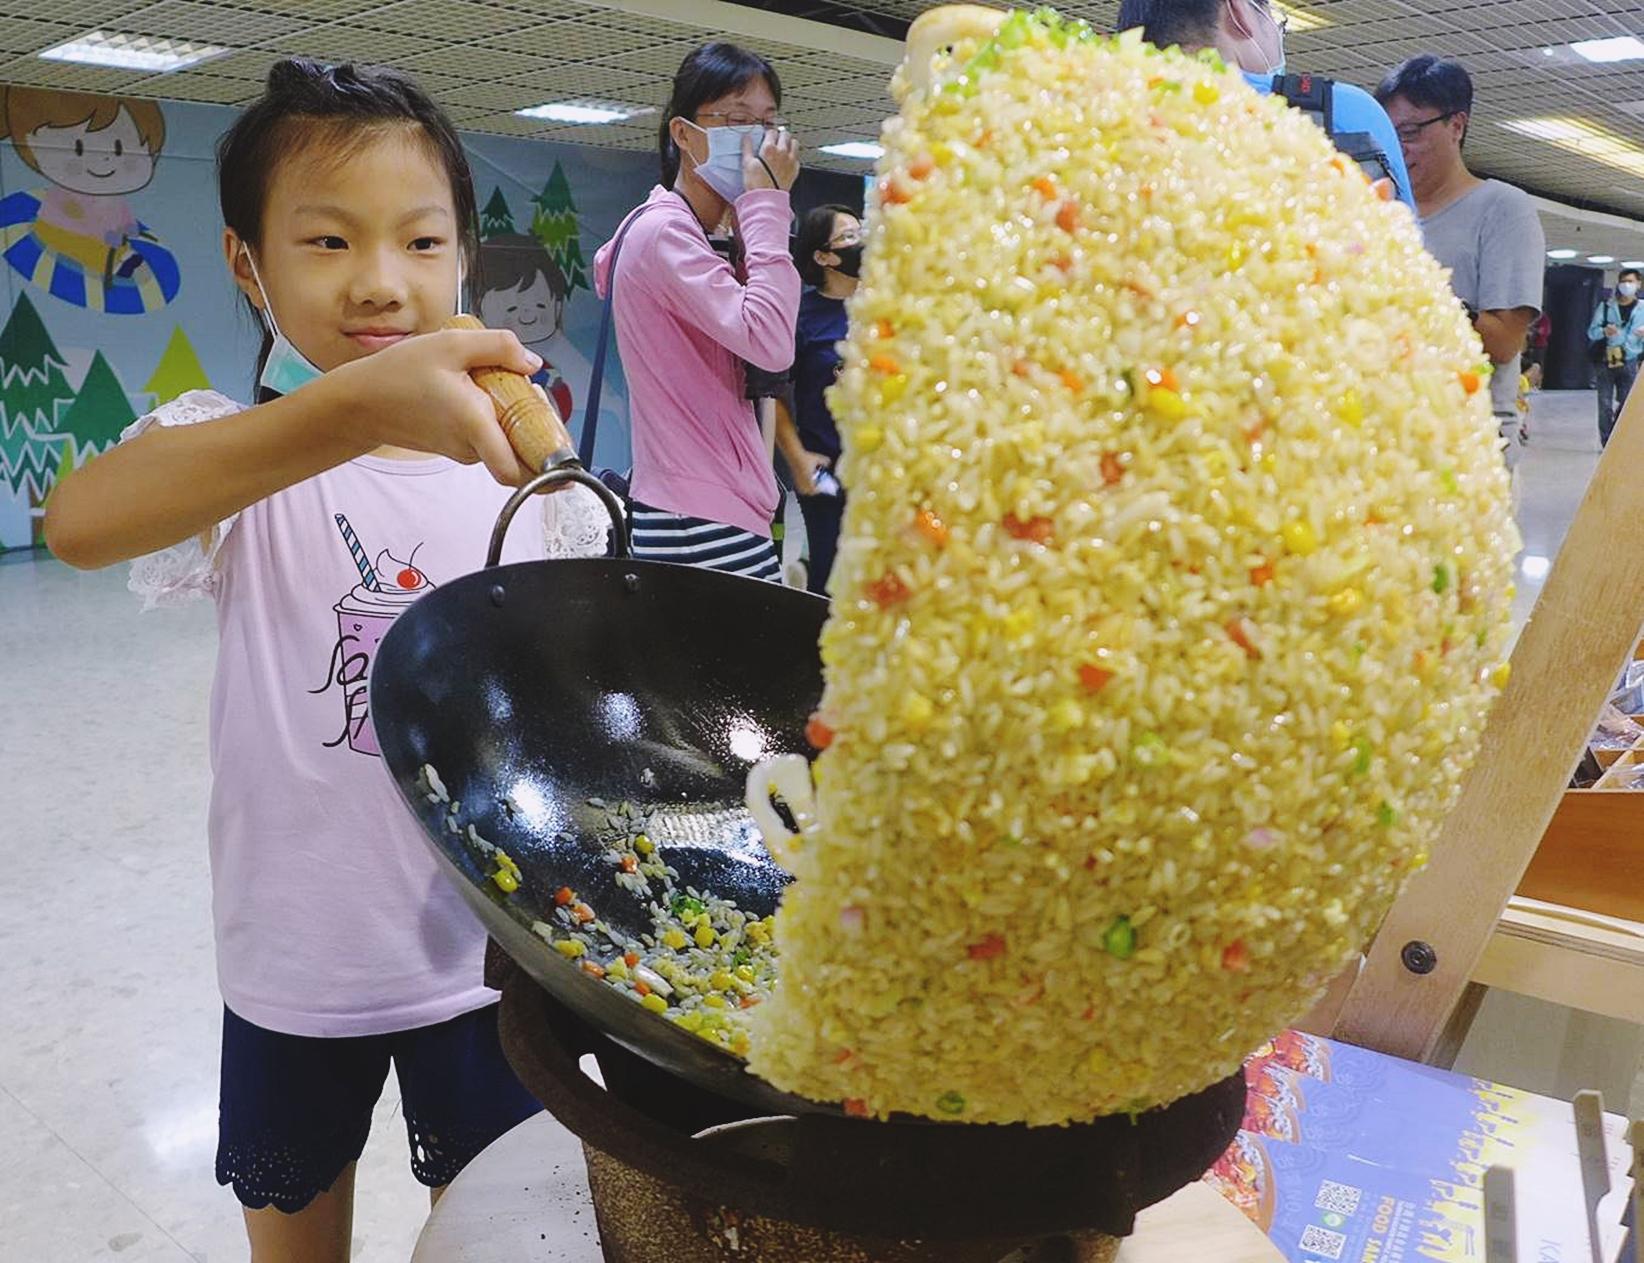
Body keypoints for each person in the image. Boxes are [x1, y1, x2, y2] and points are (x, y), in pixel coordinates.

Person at [42, 59, 606, 1262]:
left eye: (420, 240)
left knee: (503, 1232)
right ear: (250, 264)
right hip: (298, 963)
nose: (381, 282)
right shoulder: (240, 456)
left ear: (462, 255)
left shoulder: (517, 466)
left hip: (484, 957)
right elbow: (80, 525)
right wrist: (347, 411)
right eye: (329, 241)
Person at [595, 43, 801, 581]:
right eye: (737, 120)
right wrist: (765, 206)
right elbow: (770, 340)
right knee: (751, 663)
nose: (756, 140)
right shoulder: (664, 234)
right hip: (700, 513)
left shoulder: (697, 236)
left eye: (768, 123)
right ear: (683, 134)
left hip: (709, 505)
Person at [1376, 56, 1545, 468]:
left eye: (1411, 132)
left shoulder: (1503, 209)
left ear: (1456, 125)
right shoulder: (1381, 210)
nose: (1398, 148)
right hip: (1387, 443)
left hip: (1468, 450)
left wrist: (1415, 286)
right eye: (1387, 133)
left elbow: (1504, 342)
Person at [1117, 0, 1413, 208]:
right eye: (1277, 23)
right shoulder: (1340, 110)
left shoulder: (1104, 118)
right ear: (1239, 11)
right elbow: (1409, 269)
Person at [784, 203, 859, 594]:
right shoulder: (803, 317)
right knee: (832, 582)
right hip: (826, 470)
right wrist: (797, 458)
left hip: (880, 471)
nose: (859, 244)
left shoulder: (884, 308)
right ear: (823, 256)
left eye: (861, 234)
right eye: (848, 237)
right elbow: (772, 392)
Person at [1588, 269, 1644, 447]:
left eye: (1631, 281)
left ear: (1638, 284)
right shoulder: (1606, 306)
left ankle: (1619, 437)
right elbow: (1591, 332)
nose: (1627, 285)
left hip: (1630, 359)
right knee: (1604, 404)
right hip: (1606, 360)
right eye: (1623, 281)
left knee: (1626, 404)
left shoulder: (1642, 309)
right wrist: (1604, 331)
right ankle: (1606, 441)